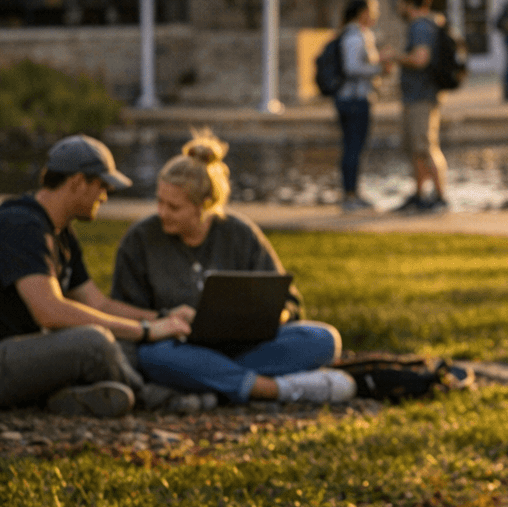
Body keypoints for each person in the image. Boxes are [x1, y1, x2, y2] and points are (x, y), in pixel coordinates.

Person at [0, 135, 193, 418]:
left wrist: (160, 319)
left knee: (116, 339)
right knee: (94, 343)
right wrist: (145, 331)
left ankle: (67, 397)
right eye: (102, 186)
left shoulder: (59, 232)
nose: (105, 195)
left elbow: (97, 304)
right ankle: (156, 400)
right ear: (78, 182)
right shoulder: (22, 226)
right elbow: (49, 312)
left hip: (7, 356)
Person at [111, 130, 354, 407]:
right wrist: (165, 319)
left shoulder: (240, 234)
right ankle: (273, 389)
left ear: (204, 206)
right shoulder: (140, 239)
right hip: (178, 348)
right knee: (152, 357)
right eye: (160, 202)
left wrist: (272, 315)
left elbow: (290, 304)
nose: (162, 212)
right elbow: (119, 310)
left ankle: (210, 384)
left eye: (174, 207)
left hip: (244, 347)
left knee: (322, 339)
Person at [392, 0, 448, 212]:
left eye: (400, 3)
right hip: (417, 96)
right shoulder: (425, 24)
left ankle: (440, 197)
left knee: (426, 147)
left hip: (421, 97)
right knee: (416, 148)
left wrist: (394, 56)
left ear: (410, 4)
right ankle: (420, 195)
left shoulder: (420, 26)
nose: (398, 8)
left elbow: (420, 59)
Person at [334, 0, 386, 212]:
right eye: (372, 11)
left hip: (353, 99)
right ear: (362, 13)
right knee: (353, 148)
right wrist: (379, 67)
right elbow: (352, 68)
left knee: (354, 147)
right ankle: (350, 196)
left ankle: (354, 193)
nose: (375, 15)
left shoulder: (355, 33)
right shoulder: (354, 36)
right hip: (353, 99)